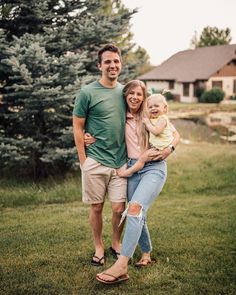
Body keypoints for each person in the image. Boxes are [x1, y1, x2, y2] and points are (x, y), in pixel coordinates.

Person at [96, 80, 180, 284]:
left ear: (144, 98)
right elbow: (101, 130)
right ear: (125, 96)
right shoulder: (119, 118)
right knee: (138, 212)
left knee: (134, 209)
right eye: (130, 93)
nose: (134, 97)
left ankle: (122, 265)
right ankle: (146, 254)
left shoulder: (150, 115)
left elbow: (176, 134)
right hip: (133, 168)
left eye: (139, 94)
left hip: (154, 167)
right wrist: (89, 136)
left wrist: (169, 150)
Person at [72, 44, 127, 267]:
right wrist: (83, 160)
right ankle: (98, 247)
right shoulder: (87, 92)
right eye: (107, 62)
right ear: (99, 66)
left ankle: (115, 242)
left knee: (119, 209)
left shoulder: (125, 92)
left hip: (121, 161)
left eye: (116, 61)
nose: (112, 65)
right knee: (96, 207)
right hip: (95, 160)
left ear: (120, 64)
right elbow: (77, 126)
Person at [117, 93, 175, 177]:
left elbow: (156, 131)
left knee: (142, 159)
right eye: (150, 107)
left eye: (156, 106)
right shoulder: (155, 118)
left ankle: (128, 172)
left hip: (159, 148)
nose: (153, 108)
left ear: (164, 108)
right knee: (143, 158)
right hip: (156, 147)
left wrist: (147, 123)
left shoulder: (162, 119)